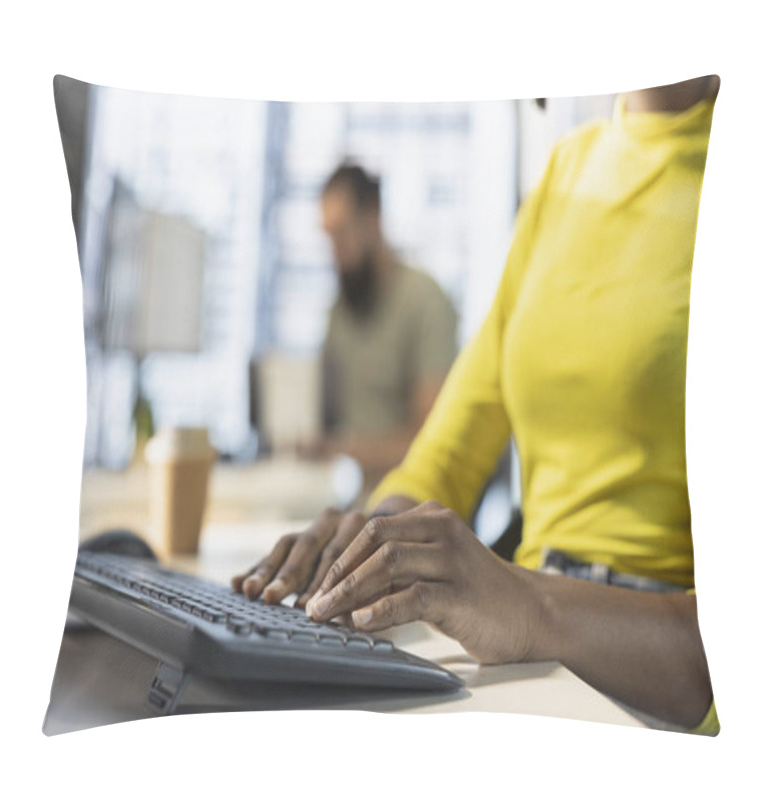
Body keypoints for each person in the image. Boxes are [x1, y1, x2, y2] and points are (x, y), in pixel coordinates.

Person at [232, 76, 721, 734]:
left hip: (646, 679)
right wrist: (372, 542)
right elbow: (450, 451)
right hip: (537, 657)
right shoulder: (565, 172)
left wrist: (528, 605)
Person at [300, 162, 458, 486]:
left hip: (402, 501)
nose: (335, 251)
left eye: (341, 233)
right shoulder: (339, 311)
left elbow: (430, 442)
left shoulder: (426, 302)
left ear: (373, 218)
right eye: (328, 237)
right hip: (342, 493)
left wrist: (345, 451)